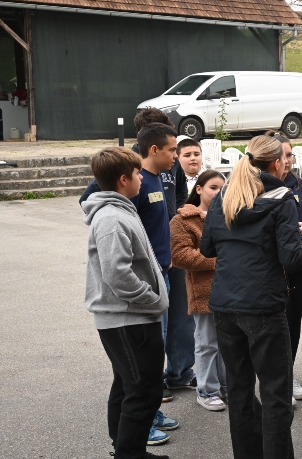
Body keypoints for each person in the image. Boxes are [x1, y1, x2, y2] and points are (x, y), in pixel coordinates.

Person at [200, 135, 302, 458]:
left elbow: (207, 248)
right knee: (275, 394)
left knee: (239, 391)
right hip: (263, 305)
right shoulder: (282, 200)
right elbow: (291, 257)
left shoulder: (225, 196)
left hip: (225, 306)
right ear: (277, 163)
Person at [83, 147, 170, 459]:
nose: (141, 179)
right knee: (144, 392)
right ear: (123, 179)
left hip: (129, 317)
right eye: (136, 174)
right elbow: (116, 274)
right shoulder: (112, 217)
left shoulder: (120, 211)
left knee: (127, 387)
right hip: (129, 319)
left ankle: (127, 449)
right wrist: (151, 300)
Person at [128, 124, 182, 443]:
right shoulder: (136, 182)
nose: (176, 156)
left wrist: (166, 256)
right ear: (153, 150)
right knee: (146, 353)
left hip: (163, 274)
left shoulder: (159, 178)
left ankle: (152, 409)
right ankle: (142, 421)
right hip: (148, 280)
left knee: (157, 347)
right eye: (172, 150)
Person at [266, 131, 302, 403]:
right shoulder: (258, 188)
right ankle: (272, 378)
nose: (287, 160)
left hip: (297, 268)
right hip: (268, 269)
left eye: (290, 154)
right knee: (269, 324)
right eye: (283, 155)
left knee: (292, 321)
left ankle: (287, 374)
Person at [169, 170, 227, 412]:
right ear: (199, 189)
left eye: (222, 189)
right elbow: (180, 255)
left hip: (230, 291)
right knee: (207, 343)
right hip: (204, 292)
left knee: (227, 343)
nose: (219, 193)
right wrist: (219, 260)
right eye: (213, 187)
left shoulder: (229, 217)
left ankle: (225, 387)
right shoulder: (183, 220)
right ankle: (206, 390)